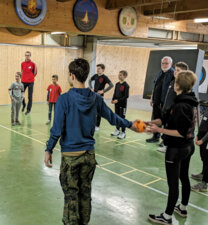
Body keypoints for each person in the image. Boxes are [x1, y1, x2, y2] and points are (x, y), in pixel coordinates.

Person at [44, 58, 138, 225]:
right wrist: (130, 124)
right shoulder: (95, 98)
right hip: (89, 156)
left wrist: (49, 149)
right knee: (85, 195)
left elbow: (56, 130)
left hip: (71, 157)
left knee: (71, 197)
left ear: (72, 75)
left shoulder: (64, 99)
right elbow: (112, 118)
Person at [148, 71, 198, 224]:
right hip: (188, 147)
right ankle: (182, 208)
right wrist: (153, 122)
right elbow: (167, 119)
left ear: (177, 85)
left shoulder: (182, 105)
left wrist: (159, 130)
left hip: (177, 149)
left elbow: (181, 132)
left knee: (173, 183)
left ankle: (167, 216)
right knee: (184, 177)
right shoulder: (189, 101)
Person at [158, 62, 189, 153]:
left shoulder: (182, 85)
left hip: (174, 112)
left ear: (184, 72)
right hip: (166, 110)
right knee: (166, 127)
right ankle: (165, 143)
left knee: (172, 129)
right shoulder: (172, 81)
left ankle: (169, 146)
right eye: (175, 70)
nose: (175, 72)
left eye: (178, 70)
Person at [147, 56, 174, 143]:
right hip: (156, 102)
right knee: (156, 119)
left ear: (171, 64)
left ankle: (164, 140)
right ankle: (155, 137)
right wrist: (152, 98)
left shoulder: (173, 74)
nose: (164, 65)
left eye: (166, 63)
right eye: (163, 63)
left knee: (165, 121)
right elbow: (155, 87)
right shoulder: (160, 73)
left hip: (166, 103)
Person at [88, 63, 114, 131]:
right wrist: (91, 88)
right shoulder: (96, 75)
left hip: (100, 96)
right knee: (93, 110)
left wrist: (103, 91)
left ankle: (97, 125)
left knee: (99, 111)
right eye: (97, 68)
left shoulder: (105, 77)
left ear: (103, 70)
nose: (97, 70)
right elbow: (89, 80)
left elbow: (111, 85)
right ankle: (92, 124)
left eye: (99, 68)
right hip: (94, 95)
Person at [111, 70, 130, 139]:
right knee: (117, 117)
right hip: (116, 104)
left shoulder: (126, 85)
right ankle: (117, 130)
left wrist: (118, 100)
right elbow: (115, 93)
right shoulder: (117, 84)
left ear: (125, 76)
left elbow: (126, 96)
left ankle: (123, 132)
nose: (119, 76)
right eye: (119, 75)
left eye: (121, 75)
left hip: (122, 105)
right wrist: (113, 99)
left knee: (122, 118)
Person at [21, 51, 37, 115]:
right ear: (25, 56)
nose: (27, 56)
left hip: (30, 82)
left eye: (28, 55)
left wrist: (31, 77)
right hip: (23, 82)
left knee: (30, 97)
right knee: (21, 95)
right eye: (26, 55)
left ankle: (28, 110)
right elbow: (22, 71)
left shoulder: (33, 64)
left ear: (30, 56)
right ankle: (24, 104)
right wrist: (24, 77)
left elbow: (35, 72)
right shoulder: (22, 63)